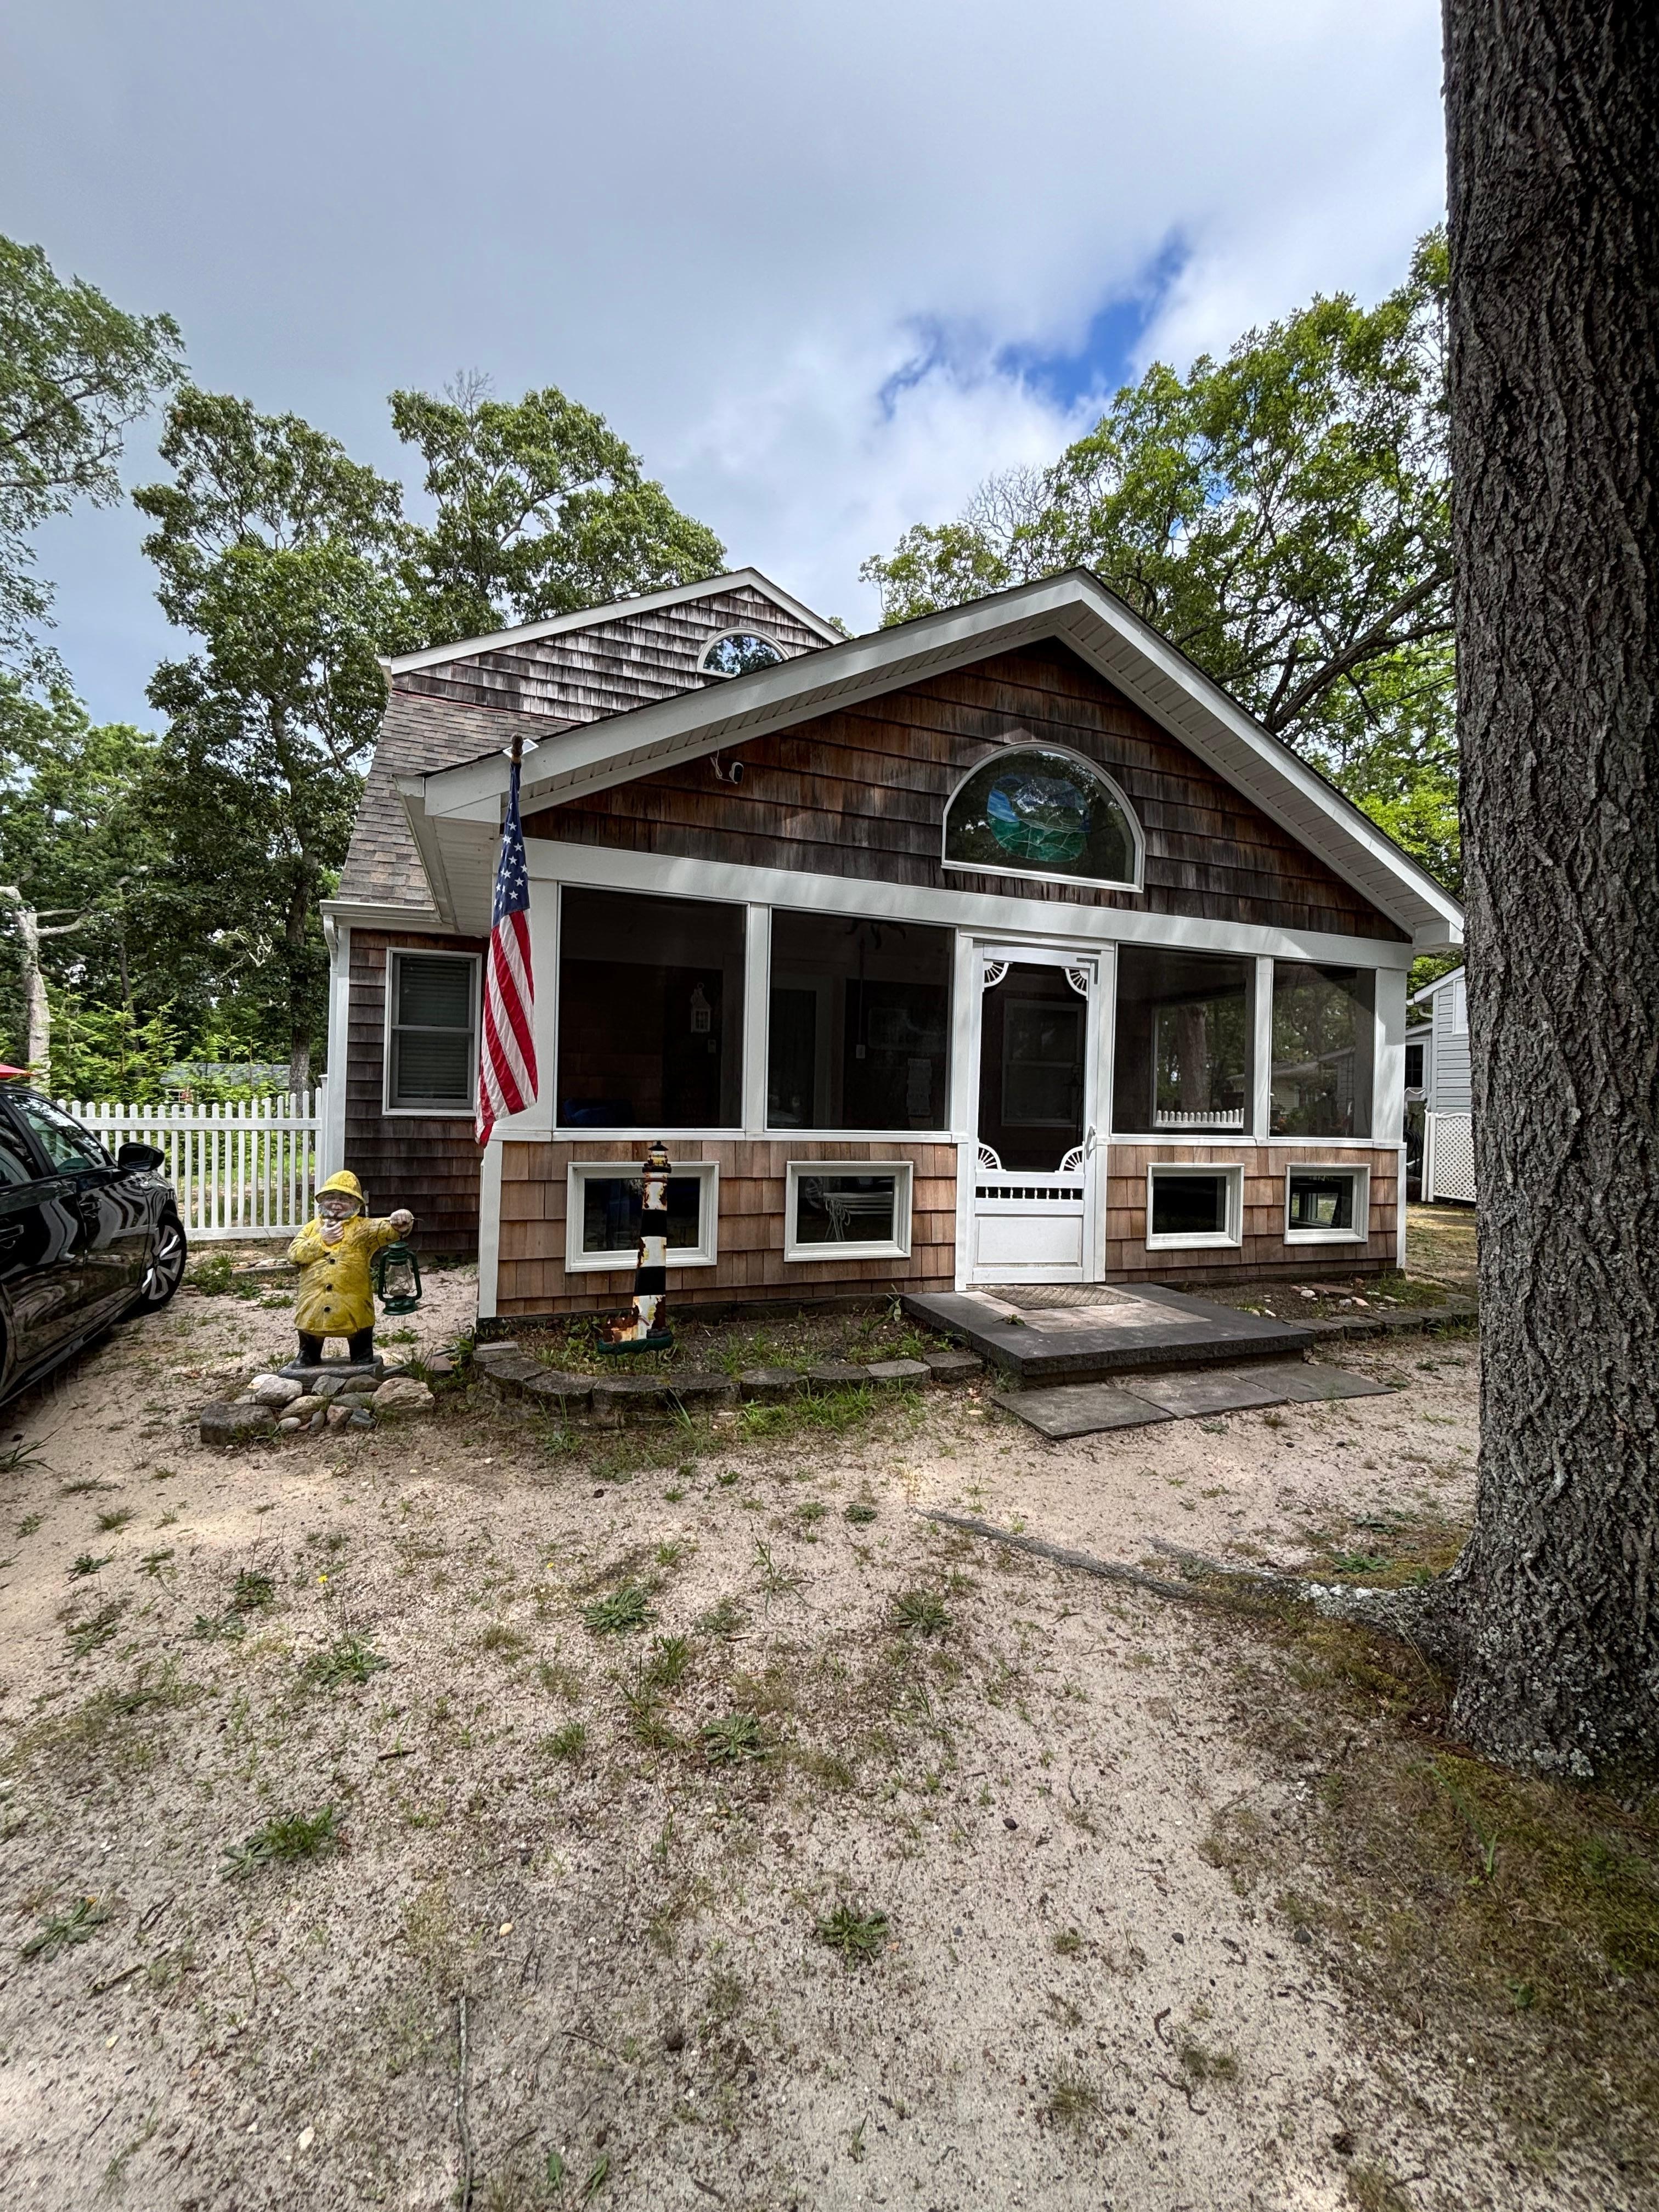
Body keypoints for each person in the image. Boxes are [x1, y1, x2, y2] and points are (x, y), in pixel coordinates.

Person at [285, 1170, 413, 1371]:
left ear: (356, 1203)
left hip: (353, 1300)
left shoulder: (363, 1228)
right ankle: (308, 1355)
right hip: (313, 1300)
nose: (336, 1203)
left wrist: (402, 1220)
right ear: (322, 1202)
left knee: (359, 1330)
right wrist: (321, 1241)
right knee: (310, 1329)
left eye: (344, 1198)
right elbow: (294, 1254)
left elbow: (389, 1228)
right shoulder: (312, 1228)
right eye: (331, 1198)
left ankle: (362, 1359)